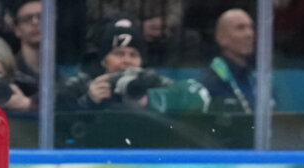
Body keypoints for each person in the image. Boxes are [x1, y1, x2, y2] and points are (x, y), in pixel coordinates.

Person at [61, 16, 208, 114]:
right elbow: (55, 114)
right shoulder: (84, 83)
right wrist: (87, 101)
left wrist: (150, 99)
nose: (127, 60)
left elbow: (199, 98)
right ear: (103, 60)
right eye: (119, 54)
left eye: (133, 55)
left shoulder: (151, 80)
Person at [197, 8, 258, 113]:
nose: (250, 34)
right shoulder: (210, 84)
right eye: (240, 28)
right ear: (221, 38)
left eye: (251, 27)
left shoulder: (256, 79)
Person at [9, 0, 43, 104]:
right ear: (17, 29)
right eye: (27, 19)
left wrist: (29, 104)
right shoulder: (9, 71)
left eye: (41, 17)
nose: (35, 22)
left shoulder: (64, 70)